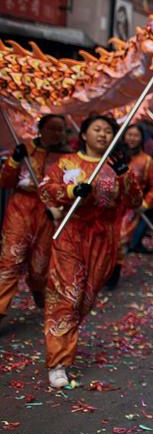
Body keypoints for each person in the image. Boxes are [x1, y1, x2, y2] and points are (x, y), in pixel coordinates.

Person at [39, 115, 142, 388]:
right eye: (97, 129)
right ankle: (58, 362)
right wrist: (72, 190)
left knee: (84, 300)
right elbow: (46, 191)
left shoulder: (115, 166)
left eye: (108, 131)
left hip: (103, 239)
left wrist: (125, 174)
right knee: (67, 296)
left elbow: (135, 200)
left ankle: (62, 343)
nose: (103, 135)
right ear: (84, 134)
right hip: (72, 235)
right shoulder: (66, 163)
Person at [0, 114, 70, 321]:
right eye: (52, 128)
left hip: (48, 214)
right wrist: (14, 161)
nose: (56, 133)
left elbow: (68, 190)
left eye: (60, 129)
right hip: (20, 211)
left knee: (40, 266)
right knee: (10, 261)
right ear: (41, 129)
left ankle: (38, 288)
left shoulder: (67, 157)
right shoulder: (25, 149)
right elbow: (5, 181)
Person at [107, 125, 153, 289]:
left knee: (121, 240)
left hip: (130, 208)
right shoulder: (113, 157)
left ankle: (113, 274)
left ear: (141, 138)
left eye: (136, 135)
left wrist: (145, 203)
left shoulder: (147, 161)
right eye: (129, 135)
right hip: (108, 205)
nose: (132, 138)